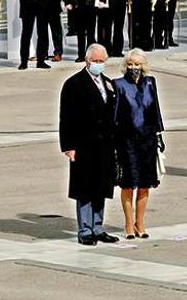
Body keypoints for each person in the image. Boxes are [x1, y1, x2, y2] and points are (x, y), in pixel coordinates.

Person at [59, 44, 120, 246]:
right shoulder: (74, 84)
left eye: (102, 61)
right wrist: (68, 146)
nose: (98, 64)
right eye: (95, 61)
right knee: (84, 188)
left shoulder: (109, 84)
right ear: (87, 60)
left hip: (104, 146)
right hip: (84, 145)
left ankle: (98, 226)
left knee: (101, 187)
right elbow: (66, 118)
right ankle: (85, 228)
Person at [113, 49, 164, 239]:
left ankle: (140, 223)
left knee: (145, 185)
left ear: (144, 65)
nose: (133, 67)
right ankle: (128, 223)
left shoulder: (150, 83)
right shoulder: (118, 85)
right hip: (127, 141)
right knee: (128, 185)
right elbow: (115, 114)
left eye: (137, 64)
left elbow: (155, 109)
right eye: (130, 64)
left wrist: (159, 134)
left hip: (147, 140)